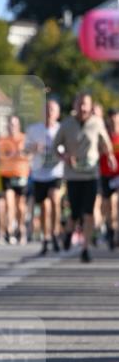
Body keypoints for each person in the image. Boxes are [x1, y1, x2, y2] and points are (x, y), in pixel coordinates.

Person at [54, 92, 116, 262]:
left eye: (85, 104)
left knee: (88, 212)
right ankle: (68, 233)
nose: (82, 108)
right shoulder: (66, 124)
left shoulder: (97, 123)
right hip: (73, 175)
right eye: (79, 104)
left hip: (91, 175)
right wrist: (65, 156)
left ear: (90, 106)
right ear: (74, 106)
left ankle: (85, 248)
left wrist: (110, 157)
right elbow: (55, 147)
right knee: (74, 213)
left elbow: (105, 144)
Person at [25, 99, 64, 255]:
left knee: (55, 199)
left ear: (58, 113)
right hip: (39, 173)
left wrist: (62, 153)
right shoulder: (33, 129)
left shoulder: (62, 129)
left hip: (56, 172)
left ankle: (55, 233)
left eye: (52, 109)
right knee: (43, 207)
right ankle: (45, 237)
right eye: (47, 109)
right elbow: (25, 149)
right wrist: (34, 148)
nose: (49, 112)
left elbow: (69, 148)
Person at [0, 115, 30, 244]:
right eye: (10, 124)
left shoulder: (24, 139)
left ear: (19, 126)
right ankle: (9, 230)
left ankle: (21, 229)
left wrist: (24, 153)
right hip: (7, 174)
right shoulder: (2, 140)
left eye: (15, 124)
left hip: (21, 174)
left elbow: (30, 154)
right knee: (8, 203)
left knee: (20, 206)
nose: (12, 127)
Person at [100, 108, 119, 249]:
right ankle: (111, 231)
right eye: (111, 119)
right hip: (106, 175)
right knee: (108, 206)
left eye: (116, 118)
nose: (113, 121)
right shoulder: (104, 135)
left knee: (115, 202)